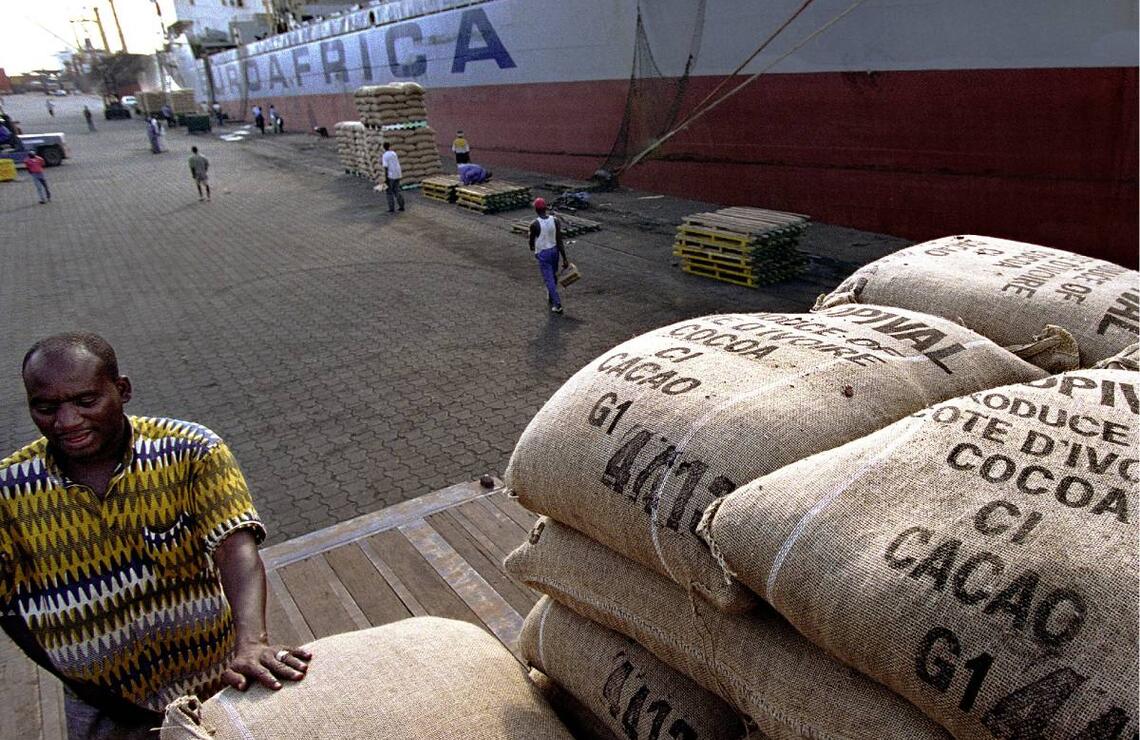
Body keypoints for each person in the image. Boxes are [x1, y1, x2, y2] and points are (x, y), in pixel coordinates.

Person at [0, 333, 311, 740]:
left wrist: (252, 642)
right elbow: (7, 606)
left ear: (122, 389)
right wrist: (80, 681)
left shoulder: (192, 451)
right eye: (45, 408)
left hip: (215, 682)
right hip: (101, 708)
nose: (67, 422)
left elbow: (236, 547)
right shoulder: (9, 490)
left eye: (86, 401)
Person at [528, 198, 569, 314]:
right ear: (546, 208)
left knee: (548, 279)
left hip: (543, 254)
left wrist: (532, 247)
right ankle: (552, 296)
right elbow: (559, 240)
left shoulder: (534, 224)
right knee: (554, 275)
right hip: (554, 251)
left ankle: (557, 304)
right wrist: (565, 258)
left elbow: (531, 240)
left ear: (536, 210)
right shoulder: (555, 221)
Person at [381, 141, 405, 213]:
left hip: (391, 175)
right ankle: (402, 206)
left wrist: (386, 178)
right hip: (398, 174)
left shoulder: (385, 155)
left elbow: (386, 167)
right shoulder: (394, 153)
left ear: (383, 147)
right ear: (389, 146)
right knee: (397, 191)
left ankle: (391, 208)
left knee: (389, 192)